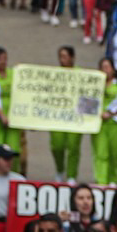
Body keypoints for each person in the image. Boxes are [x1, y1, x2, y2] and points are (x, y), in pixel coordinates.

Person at [46, 44, 84, 177]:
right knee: (57, 146)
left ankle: (71, 175)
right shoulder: (54, 74)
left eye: (65, 56)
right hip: (57, 116)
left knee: (73, 147)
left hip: (75, 116)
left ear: (72, 58)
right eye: (60, 57)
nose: (62, 59)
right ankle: (60, 169)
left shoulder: (82, 74)